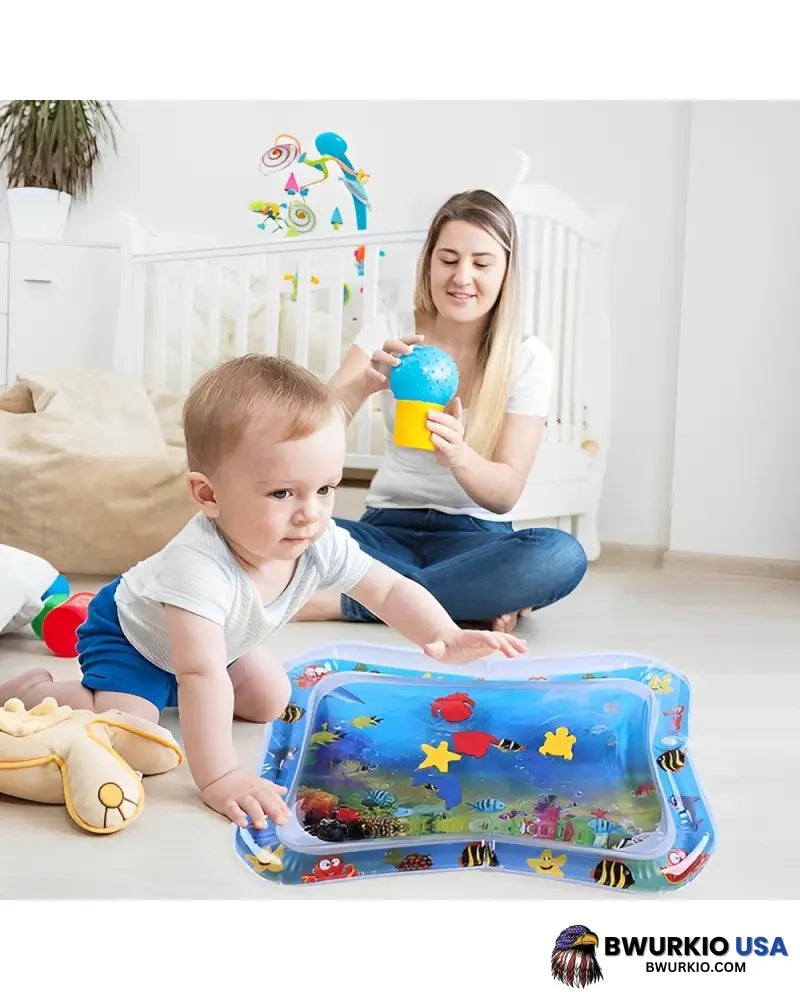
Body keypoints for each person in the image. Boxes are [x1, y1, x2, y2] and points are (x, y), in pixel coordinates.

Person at [0, 355, 525, 830]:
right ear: (209, 495)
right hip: (132, 636)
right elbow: (199, 674)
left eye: (325, 488)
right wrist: (220, 777)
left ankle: (158, 693)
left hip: (216, 641)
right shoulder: (197, 569)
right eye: (282, 493)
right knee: (132, 728)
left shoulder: (315, 538)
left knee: (270, 698)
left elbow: (387, 589)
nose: (310, 512)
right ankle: (35, 691)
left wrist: (443, 633)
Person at [294, 190, 588, 633]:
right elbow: (314, 432)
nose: (462, 277)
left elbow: (505, 493)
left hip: (474, 539)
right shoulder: (392, 326)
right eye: (448, 259)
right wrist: (365, 383)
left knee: (559, 555)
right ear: (429, 262)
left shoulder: (528, 357)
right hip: (384, 531)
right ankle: (463, 599)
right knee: (275, 526)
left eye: (481, 263)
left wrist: (460, 457)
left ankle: (350, 602)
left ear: (506, 271)